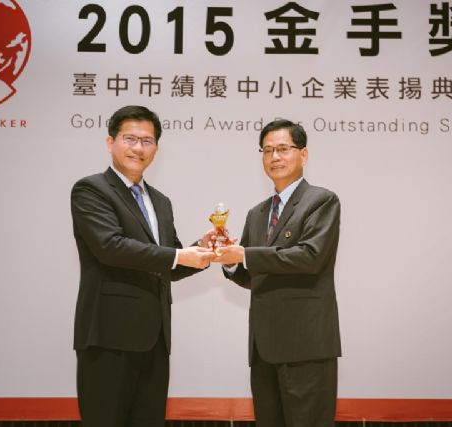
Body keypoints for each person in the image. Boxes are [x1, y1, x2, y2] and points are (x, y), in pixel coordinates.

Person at [70, 105, 214, 427]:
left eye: (147, 141)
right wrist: (178, 256)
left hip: (155, 338)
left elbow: (169, 261)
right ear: (111, 142)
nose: (138, 148)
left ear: (156, 149)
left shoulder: (160, 201)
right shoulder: (91, 189)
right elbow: (111, 247)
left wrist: (200, 251)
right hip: (108, 337)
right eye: (130, 138)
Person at [213, 119, 342, 427]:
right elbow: (252, 274)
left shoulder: (321, 200)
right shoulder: (257, 213)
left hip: (305, 346)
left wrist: (244, 254)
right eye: (267, 150)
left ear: (304, 154)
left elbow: (310, 257)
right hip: (263, 348)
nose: (274, 157)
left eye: (283, 149)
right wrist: (230, 261)